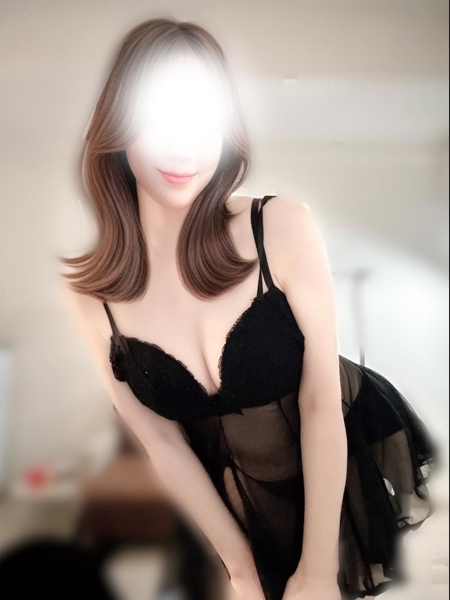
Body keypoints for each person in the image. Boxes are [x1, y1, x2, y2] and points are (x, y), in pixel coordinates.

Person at [59, 17, 440, 600]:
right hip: (229, 501)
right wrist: (239, 567)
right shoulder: (92, 295)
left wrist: (317, 572)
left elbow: (320, 402)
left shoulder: (279, 225)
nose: (183, 146)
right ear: (118, 125)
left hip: (337, 459)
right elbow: (160, 439)